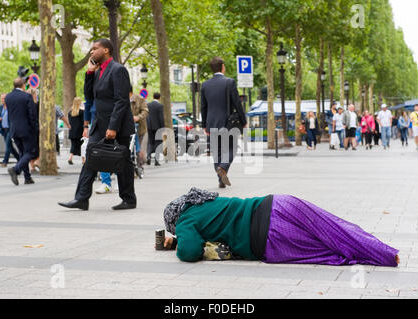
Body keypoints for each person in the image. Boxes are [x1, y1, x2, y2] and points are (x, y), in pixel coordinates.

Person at [161, 188, 400, 267]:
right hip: (278, 203)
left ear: (175, 219)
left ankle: (382, 259)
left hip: (269, 236)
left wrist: (178, 241)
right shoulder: (203, 201)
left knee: (325, 252)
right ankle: (385, 251)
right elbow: (213, 225)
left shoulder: (185, 220)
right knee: (334, 229)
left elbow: (189, 251)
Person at [58, 38, 137, 211]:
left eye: (95, 48)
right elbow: (89, 97)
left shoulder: (118, 70)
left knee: (123, 161)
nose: (91, 52)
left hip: (117, 125)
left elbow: (121, 101)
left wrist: (113, 127)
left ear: (106, 50)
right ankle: (81, 198)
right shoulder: (98, 71)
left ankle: (129, 199)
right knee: (90, 158)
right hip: (99, 124)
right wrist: (89, 73)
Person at [201, 57, 247, 188]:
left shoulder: (205, 85)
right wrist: (243, 121)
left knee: (217, 152)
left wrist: (204, 124)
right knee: (232, 148)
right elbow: (237, 103)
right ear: (222, 66)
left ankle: (220, 179)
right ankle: (223, 167)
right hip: (227, 123)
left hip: (212, 123)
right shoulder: (229, 82)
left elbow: (203, 106)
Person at [5, 78, 38, 186]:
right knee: (31, 152)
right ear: (23, 85)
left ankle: (27, 178)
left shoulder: (8, 97)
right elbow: (32, 115)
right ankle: (15, 169)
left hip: (14, 129)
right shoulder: (26, 96)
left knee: (22, 153)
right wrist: (35, 129)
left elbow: (10, 114)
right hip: (26, 129)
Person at [0, 93, 20, 167]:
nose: (2, 100)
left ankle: (5, 162)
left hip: (10, 129)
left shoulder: (11, 107)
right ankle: (20, 159)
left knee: (7, 145)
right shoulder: (0, 108)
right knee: (10, 147)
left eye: (4, 98)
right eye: (1, 98)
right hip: (3, 129)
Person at [131, 88, 149, 169]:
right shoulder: (121, 98)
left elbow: (145, 111)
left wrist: (138, 117)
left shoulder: (140, 99)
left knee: (138, 147)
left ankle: (139, 165)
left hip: (139, 128)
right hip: (127, 128)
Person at [146, 92, 165, 167]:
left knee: (150, 142)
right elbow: (161, 118)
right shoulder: (160, 106)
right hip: (158, 127)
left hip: (149, 126)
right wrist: (163, 128)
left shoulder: (148, 105)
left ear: (153, 97)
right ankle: (156, 161)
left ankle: (148, 156)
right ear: (159, 98)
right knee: (158, 143)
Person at [67, 97, 85, 165]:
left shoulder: (70, 112)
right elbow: (83, 122)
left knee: (73, 145)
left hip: (72, 131)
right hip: (80, 131)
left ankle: (70, 158)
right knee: (82, 145)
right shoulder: (81, 112)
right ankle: (83, 160)